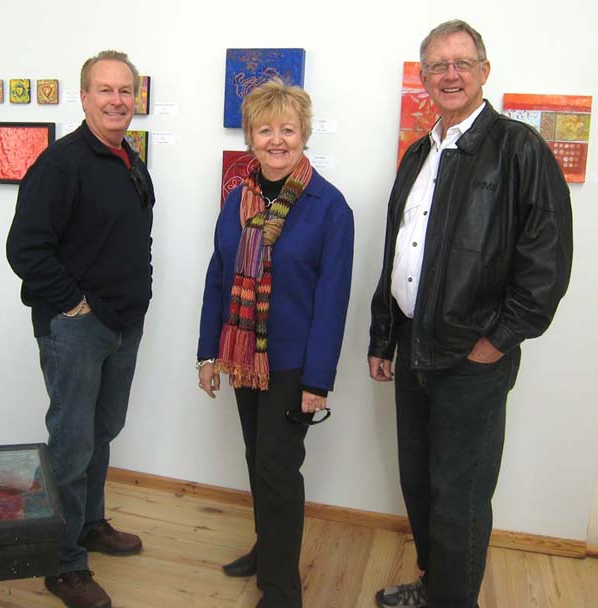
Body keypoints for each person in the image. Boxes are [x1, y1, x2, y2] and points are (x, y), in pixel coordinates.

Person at [368, 20, 573, 608]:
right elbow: (398, 251)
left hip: (473, 359)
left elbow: (547, 263)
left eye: (462, 63)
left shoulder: (519, 148)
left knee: (459, 499)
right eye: (438, 65)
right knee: (419, 485)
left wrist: (497, 341)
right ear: (424, 77)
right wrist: (384, 338)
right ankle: (437, 588)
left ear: (484, 71)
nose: (450, 74)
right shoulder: (418, 153)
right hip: (414, 347)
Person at [197, 78, 354, 608]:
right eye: (265, 130)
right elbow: (218, 277)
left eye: (287, 129)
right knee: (256, 457)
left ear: (304, 133)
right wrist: (207, 352)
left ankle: (283, 589)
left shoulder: (330, 208)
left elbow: (333, 302)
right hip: (243, 355)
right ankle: (268, 551)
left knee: (277, 469)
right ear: (251, 137)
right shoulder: (237, 200)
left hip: (292, 365)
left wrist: (318, 381)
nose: (277, 140)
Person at [6, 50, 154, 608]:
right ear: (85, 97)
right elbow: (24, 249)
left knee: (102, 431)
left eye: (125, 90)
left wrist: (139, 294)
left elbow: (135, 236)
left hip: (123, 324)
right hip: (77, 330)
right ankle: (63, 564)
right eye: (105, 90)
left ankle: (89, 524)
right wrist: (75, 305)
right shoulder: (61, 163)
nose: (117, 100)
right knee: (71, 445)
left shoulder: (128, 158)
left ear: (135, 98)